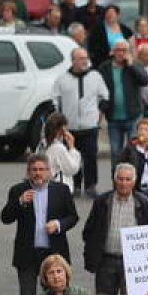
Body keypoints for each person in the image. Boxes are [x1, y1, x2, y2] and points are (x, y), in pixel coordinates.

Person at [0, 155, 79, 295]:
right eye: (34, 170)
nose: (38, 173)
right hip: (27, 254)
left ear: (49, 172)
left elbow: (73, 217)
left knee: (56, 294)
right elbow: (5, 218)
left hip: (53, 254)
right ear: (28, 172)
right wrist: (20, 202)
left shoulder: (62, 190)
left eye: (42, 169)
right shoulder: (18, 190)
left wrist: (58, 225)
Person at [82, 163, 148, 295]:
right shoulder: (102, 201)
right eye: (120, 179)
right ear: (115, 180)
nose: (123, 183)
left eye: (128, 179)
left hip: (133, 263)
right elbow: (89, 230)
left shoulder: (144, 203)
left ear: (134, 181)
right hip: (106, 261)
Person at [52, 47, 109, 197]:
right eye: (81, 58)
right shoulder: (62, 79)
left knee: (90, 157)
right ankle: (75, 186)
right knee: (72, 157)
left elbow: (105, 96)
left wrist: (99, 115)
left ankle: (91, 186)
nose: (85, 61)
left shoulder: (95, 76)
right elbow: (54, 100)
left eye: (85, 58)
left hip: (90, 126)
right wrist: (59, 122)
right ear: (73, 61)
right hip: (70, 128)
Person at [99, 40, 148, 169]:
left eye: (124, 50)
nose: (121, 53)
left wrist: (131, 65)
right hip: (113, 118)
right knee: (116, 152)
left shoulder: (134, 65)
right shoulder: (104, 68)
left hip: (133, 116)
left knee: (134, 151)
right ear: (113, 52)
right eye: (118, 50)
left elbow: (145, 80)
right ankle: (116, 182)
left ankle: (134, 181)